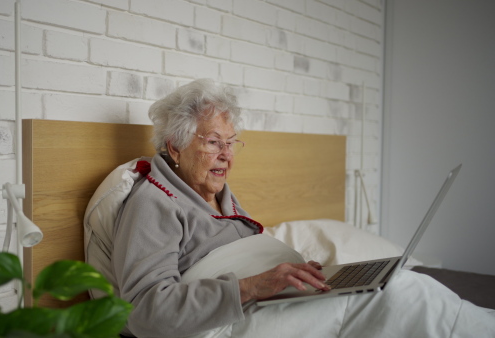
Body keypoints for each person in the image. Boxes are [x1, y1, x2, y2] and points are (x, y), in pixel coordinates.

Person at [110, 79, 495, 338]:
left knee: (408, 283)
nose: (226, 155)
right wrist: (253, 285)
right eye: (213, 142)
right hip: (237, 320)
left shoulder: (215, 192)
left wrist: (293, 277)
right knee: (405, 295)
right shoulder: (153, 200)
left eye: (231, 143)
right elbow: (143, 311)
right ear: (174, 147)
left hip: (278, 301)